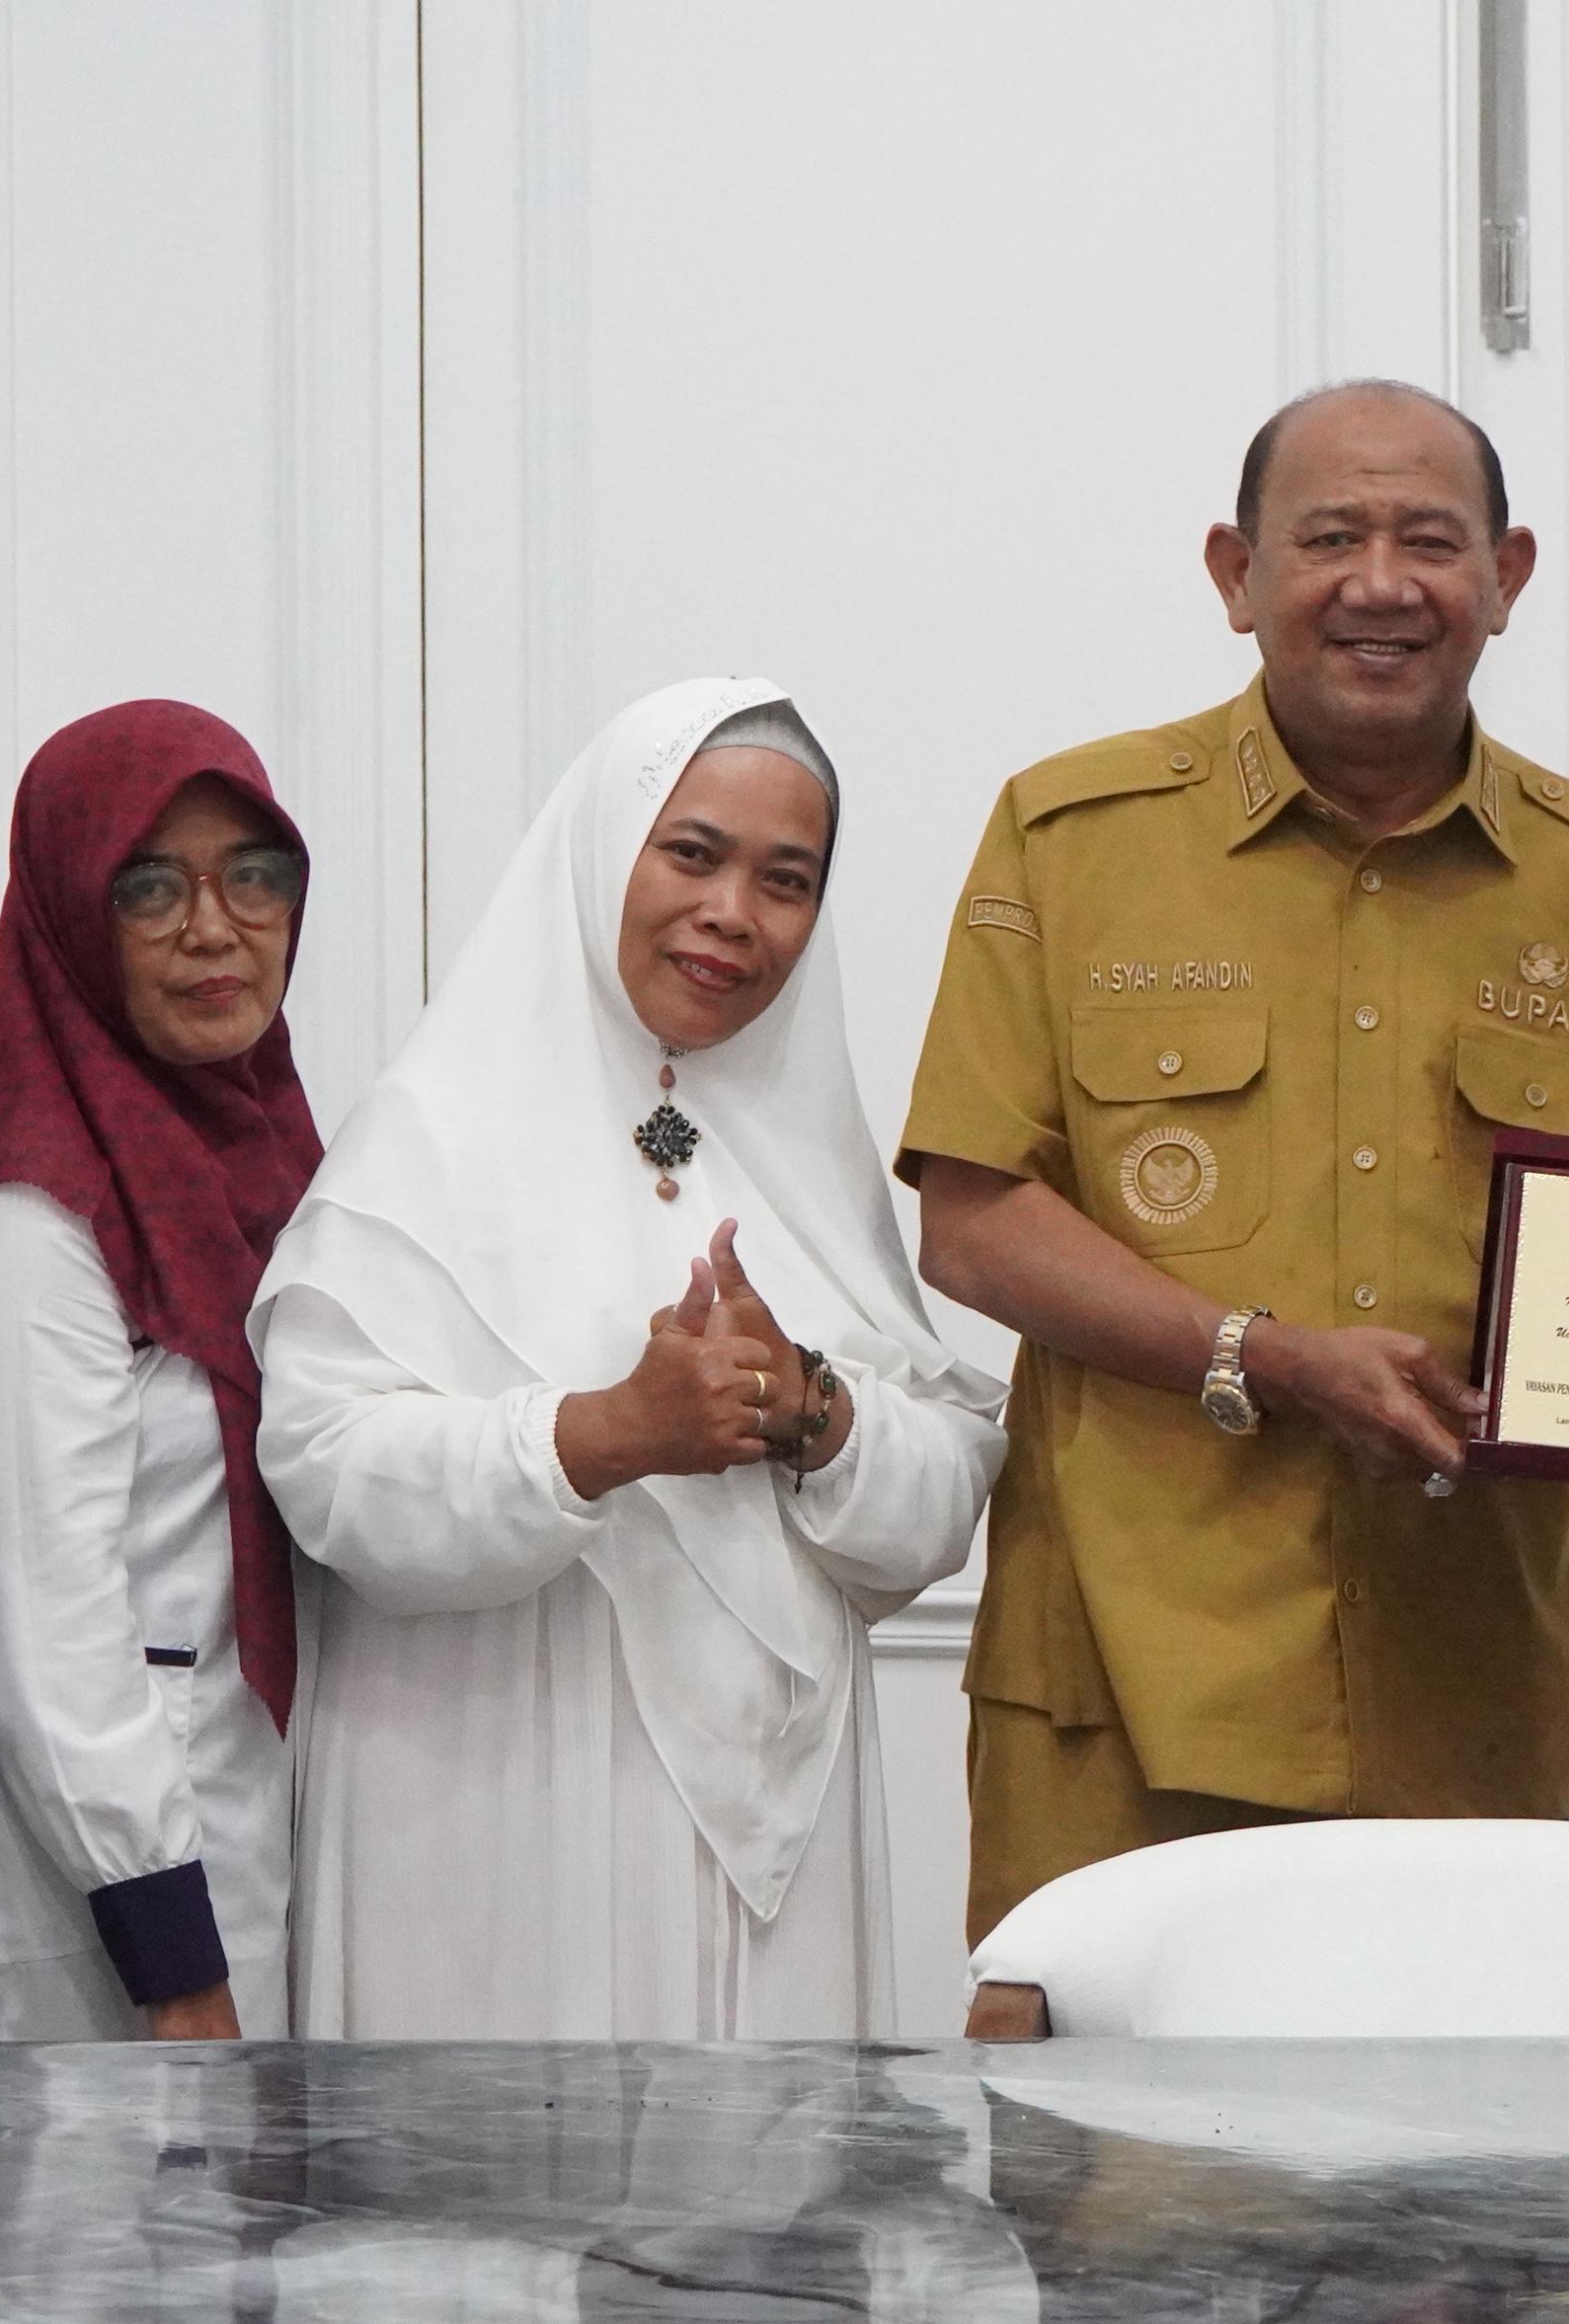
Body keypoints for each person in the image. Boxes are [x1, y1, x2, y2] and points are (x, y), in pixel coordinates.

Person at [902, 380, 1569, 1939]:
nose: (1380, 583)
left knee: (1466, 2165)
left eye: (1429, 540)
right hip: (1125, 1681)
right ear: (1233, 574)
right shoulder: (1070, 840)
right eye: (1328, 537)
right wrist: (1272, 1357)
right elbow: (974, 1224)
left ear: (1507, 576)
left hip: (1470, 1692)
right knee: (1127, 2175)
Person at [261, 678, 1007, 2039]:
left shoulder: (810, 1157)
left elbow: (945, 1487)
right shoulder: (436, 1132)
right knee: (494, 2226)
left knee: (757, 2236)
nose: (735, 912)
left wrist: (818, 1412)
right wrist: (602, 1433)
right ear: (605, 849)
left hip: (768, 1852)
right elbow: (326, 1470)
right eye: (694, 853)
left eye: (788, 879)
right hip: (492, 1803)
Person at [0, 703, 320, 2040]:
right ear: (72, 917)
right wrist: (178, 1965)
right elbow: (46, 1623)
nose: (215, 926)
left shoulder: (258, 1153)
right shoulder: (22, 1213)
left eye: (253, 874)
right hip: (109, 1916)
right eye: (151, 885)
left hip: (231, 1832)